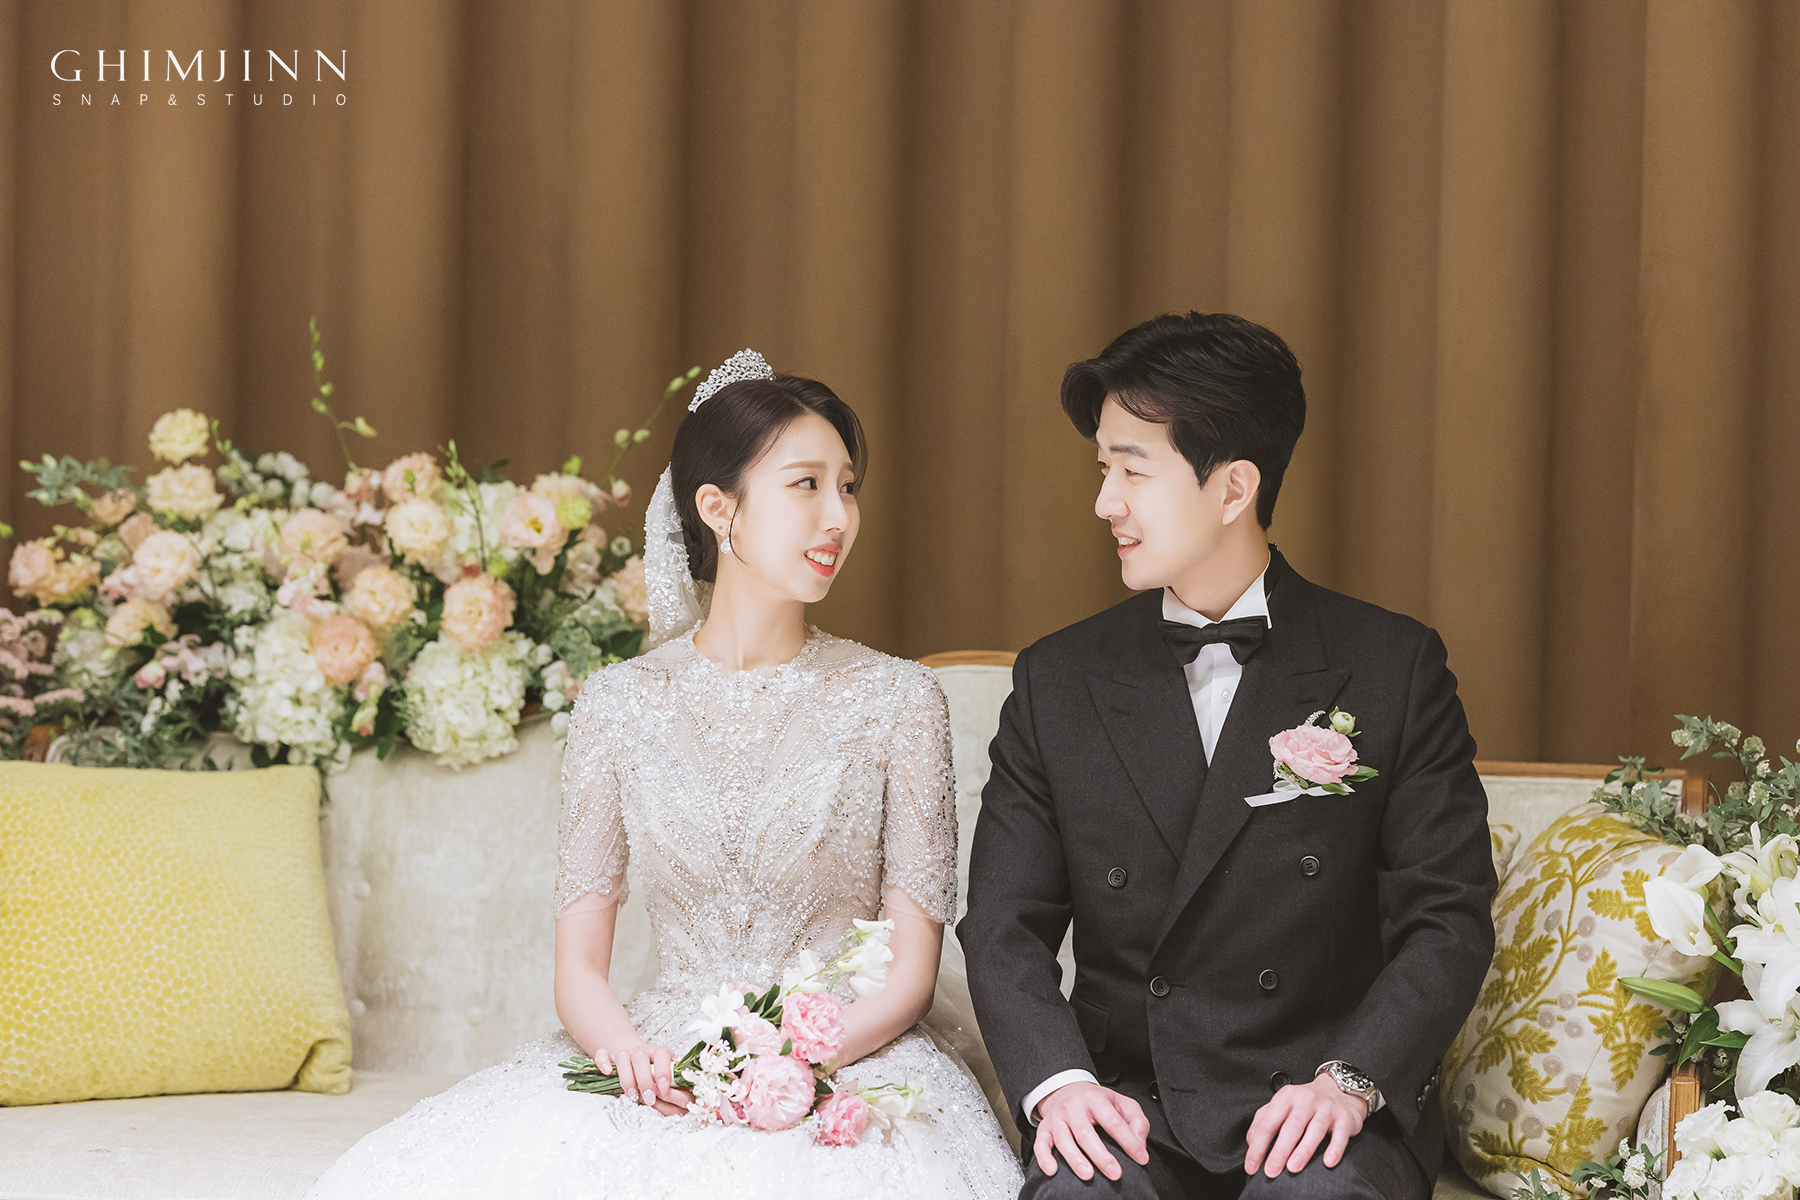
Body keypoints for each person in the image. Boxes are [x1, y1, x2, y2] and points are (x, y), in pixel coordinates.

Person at [305, 351, 1022, 1199]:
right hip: (661, 1056)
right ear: (718, 509)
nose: (839, 517)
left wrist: (789, 1062)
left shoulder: (899, 700)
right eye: (806, 485)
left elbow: (908, 975)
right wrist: (632, 1056)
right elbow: (580, 969)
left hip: (847, 1055)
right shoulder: (618, 704)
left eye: (848, 487)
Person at [958, 313, 1498, 1199]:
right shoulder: (1059, 679)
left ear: (1234, 487)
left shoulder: (1392, 666)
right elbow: (1003, 923)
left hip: (1320, 1099)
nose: (1105, 502)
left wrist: (1352, 1080)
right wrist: (1060, 1084)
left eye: (1133, 470)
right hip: (1130, 1100)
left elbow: (1447, 917)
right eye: (1103, 470)